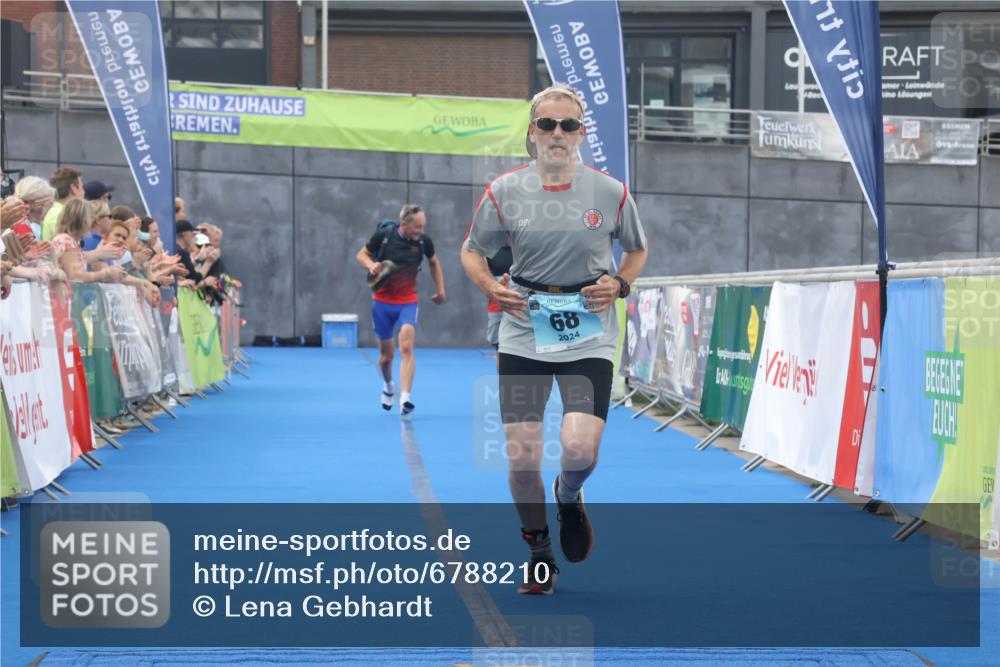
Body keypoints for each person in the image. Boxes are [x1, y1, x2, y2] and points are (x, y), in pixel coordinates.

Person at [461, 83, 648, 595]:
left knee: (580, 446)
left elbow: (636, 249)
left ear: (582, 133)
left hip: (588, 331)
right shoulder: (503, 191)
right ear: (532, 132)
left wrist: (621, 283)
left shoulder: (610, 192)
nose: (558, 134)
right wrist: (492, 288)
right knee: (521, 460)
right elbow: (472, 252)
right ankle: (539, 551)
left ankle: (569, 495)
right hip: (524, 330)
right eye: (548, 124)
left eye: (568, 125)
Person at [355, 204, 445, 415]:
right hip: (382, 303)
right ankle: (388, 387)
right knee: (386, 357)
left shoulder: (424, 242)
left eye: (423, 226)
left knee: (406, 347)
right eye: (418, 227)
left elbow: (434, 262)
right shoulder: (384, 236)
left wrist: (440, 289)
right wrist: (371, 265)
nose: (421, 231)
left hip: (407, 302)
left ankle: (405, 398)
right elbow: (361, 254)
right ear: (404, 224)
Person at [41, 166, 84, 241]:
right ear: (73, 188)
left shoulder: (56, 211)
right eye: (82, 188)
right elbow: (67, 250)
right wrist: (96, 253)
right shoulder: (60, 214)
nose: (84, 192)